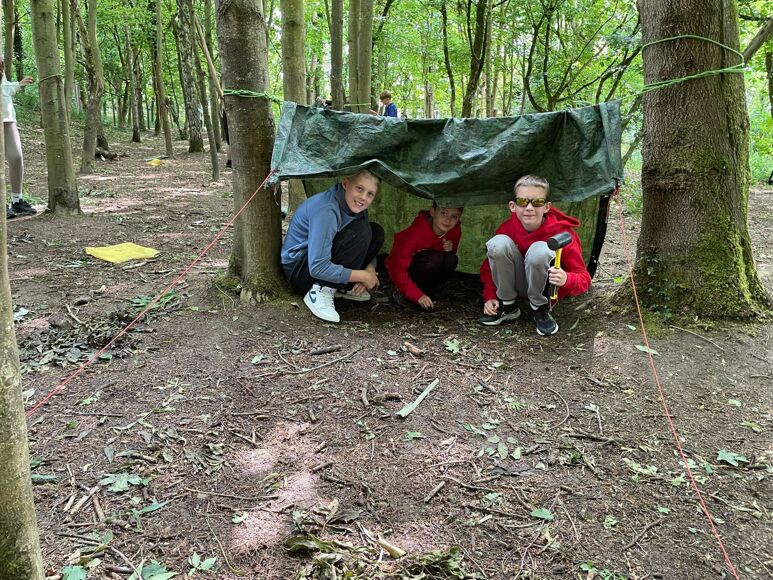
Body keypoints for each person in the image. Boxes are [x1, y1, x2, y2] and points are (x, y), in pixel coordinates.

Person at [479, 174, 590, 335]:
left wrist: (566, 278)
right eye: (522, 202)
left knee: (540, 250)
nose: (529, 208)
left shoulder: (563, 234)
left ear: (547, 207)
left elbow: (584, 279)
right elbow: (488, 268)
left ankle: (540, 309)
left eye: (537, 202)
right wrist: (490, 296)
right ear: (513, 206)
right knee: (498, 243)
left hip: (543, 288)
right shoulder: (507, 228)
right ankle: (508, 306)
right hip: (515, 285)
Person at [281, 169, 384, 323]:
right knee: (360, 230)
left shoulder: (356, 207)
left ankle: (341, 287)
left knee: (375, 232)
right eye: (359, 188)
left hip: (320, 262)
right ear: (346, 184)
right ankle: (321, 289)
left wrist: (370, 269)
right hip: (300, 269)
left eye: (370, 194)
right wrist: (363, 276)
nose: (363, 197)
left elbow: (362, 244)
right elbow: (317, 267)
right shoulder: (327, 210)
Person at [386, 203, 462, 310]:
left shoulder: (455, 230)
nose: (448, 220)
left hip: (426, 267)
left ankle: (428, 290)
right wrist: (417, 295)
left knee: (451, 259)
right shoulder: (415, 233)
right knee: (434, 259)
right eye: (443, 213)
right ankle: (402, 292)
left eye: (454, 216)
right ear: (432, 212)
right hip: (401, 271)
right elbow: (397, 267)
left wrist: (449, 249)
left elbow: (448, 253)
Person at [2, 56, 36, 219]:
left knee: (16, 157)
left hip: (7, 117)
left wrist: (18, 84)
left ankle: (17, 200)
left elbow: (3, 87)